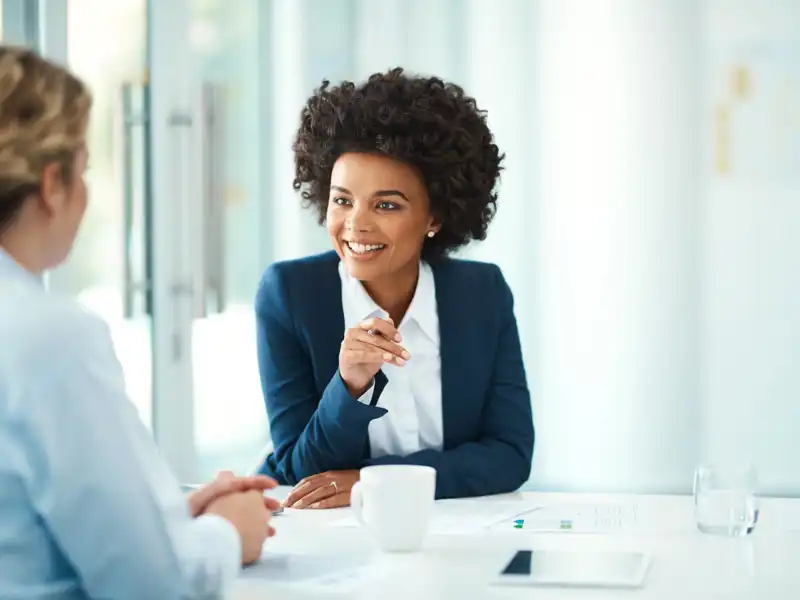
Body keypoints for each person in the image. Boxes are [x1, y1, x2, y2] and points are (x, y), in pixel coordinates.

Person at [0, 46, 277, 600]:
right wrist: (228, 533)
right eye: (84, 172)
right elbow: (153, 586)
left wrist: (165, 520)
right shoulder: (48, 338)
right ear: (52, 184)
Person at [256, 67, 535, 509]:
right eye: (342, 199)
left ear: (435, 217)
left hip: (449, 530)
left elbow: (509, 455)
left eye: (386, 204)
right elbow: (298, 468)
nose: (356, 224)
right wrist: (347, 384)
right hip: (322, 535)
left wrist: (372, 483)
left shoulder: (482, 294)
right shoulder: (289, 295)